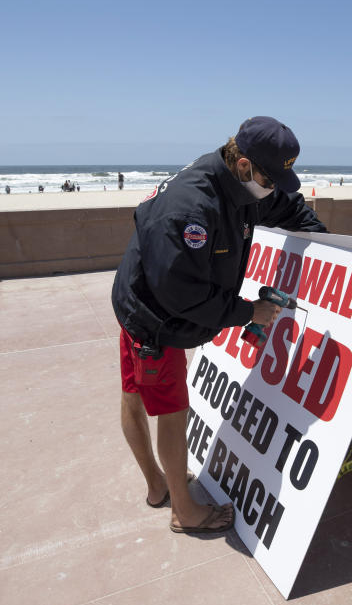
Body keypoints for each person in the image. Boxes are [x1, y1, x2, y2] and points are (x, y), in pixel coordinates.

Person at [111, 116, 327, 535]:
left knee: (135, 392)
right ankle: (183, 511)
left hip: (138, 302)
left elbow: (286, 205)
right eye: (270, 177)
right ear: (244, 165)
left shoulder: (240, 184)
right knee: (173, 412)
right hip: (156, 320)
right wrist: (247, 312)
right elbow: (180, 292)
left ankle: (158, 486)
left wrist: (327, 241)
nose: (273, 186)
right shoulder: (193, 206)